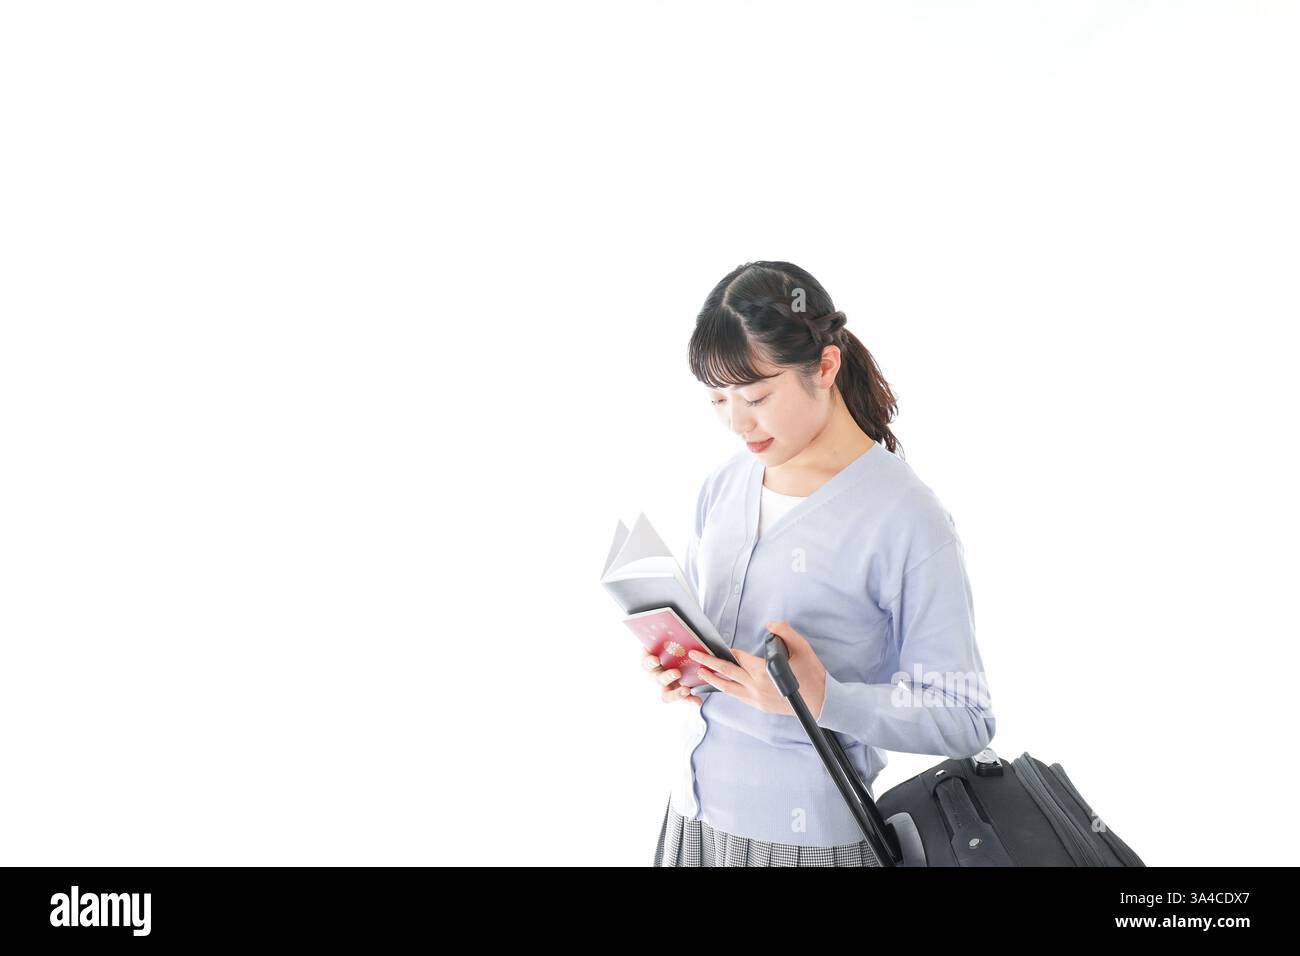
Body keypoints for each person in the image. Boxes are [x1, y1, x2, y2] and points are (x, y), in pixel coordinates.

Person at [647, 260, 996, 867]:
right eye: (718, 398)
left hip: (808, 846)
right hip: (690, 821)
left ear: (826, 366)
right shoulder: (724, 487)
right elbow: (725, 648)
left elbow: (966, 717)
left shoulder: (906, 516)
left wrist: (824, 697)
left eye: (756, 395)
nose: (737, 421)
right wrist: (688, 669)